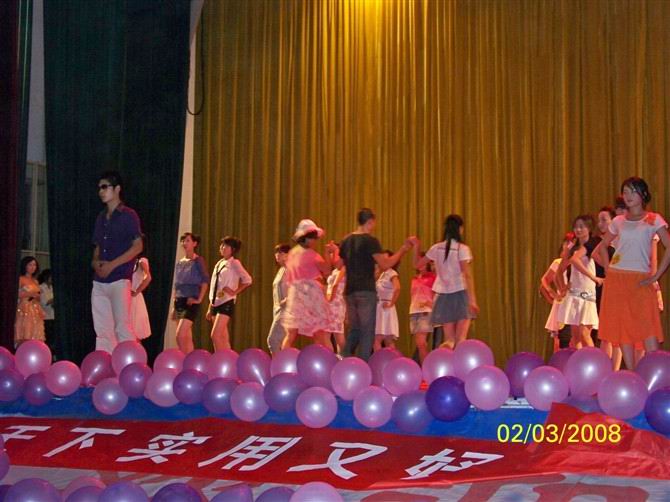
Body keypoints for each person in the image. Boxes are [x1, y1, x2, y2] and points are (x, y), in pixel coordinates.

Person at [594, 177, 670, 369]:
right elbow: (602, 246)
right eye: (625, 192)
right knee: (623, 330)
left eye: (632, 191)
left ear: (643, 194)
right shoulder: (618, 221)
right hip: (617, 279)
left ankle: (655, 373)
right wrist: (609, 269)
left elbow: (668, 246)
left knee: (648, 328)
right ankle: (633, 374)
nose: (628, 196)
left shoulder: (654, 219)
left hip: (641, 279)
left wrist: (656, 276)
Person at [336, 208, 415, 361]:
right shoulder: (370, 241)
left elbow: (338, 264)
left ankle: (343, 357)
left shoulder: (346, 240)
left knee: (355, 328)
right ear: (370, 221)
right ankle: (363, 365)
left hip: (350, 291)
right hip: (365, 290)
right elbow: (385, 264)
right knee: (367, 331)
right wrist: (403, 250)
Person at [91, 171, 143, 353]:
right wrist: (95, 262)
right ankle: (106, 365)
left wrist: (112, 265)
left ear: (117, 189)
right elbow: (97, 246)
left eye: (105, 187)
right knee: (102, 331)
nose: (101, 191)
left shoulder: (129, 215)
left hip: (119, 279)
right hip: (99, 281)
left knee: (122, 327)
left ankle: (130, 366)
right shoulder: (101, 217)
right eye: (99, 188)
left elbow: (138, 246)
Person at [413, 214, 479, 349]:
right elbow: (467, 275)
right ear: (460, 229)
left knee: (449, 340)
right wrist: (472, 300)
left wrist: (416, 246)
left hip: (443, 296)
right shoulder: (462, 249)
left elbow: (417, 264)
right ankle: (458, 362)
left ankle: (444, 359)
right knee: (461, 339)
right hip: (461, 294)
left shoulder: (436, 248)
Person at [282, 220, 336, 350]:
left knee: (291, 333)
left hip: (295, 294)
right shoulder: (311, 255)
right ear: (306, 238)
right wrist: (328, 254)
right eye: (313, 238)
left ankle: (283, 359)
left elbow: (288, 278)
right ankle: (325, 359)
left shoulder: (292, 253)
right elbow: (327, 270)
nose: (315, 241)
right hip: (310, 294)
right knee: (319, 332)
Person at [555, 215, 602, 349]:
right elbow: (559, 271)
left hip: (588, 293)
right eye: (576, 227)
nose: (578, 230)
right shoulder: (571, 248)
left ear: (589, 228)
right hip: (574, 294)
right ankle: (580, 360)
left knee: (585, 333)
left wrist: (595, 278)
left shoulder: (594, 245)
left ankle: (594, 359)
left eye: (582, 227)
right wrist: (563, 288)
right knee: (575, 337)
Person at [207, 236, 252, 350]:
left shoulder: (234, 263)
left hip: (226, 302)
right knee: (223, 337)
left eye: (226, 246)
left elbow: (248, 280)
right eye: (222, 245)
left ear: (233, 249)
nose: (222, 247)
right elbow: (214, 286)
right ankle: (228, 358)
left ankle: (219, 358)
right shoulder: (219, 263)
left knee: (215, 335)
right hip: (215, 303)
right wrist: (210, 306)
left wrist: (234, 291)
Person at [172, 232, 209, 353]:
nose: (184, 243)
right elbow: (177, 284)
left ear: (194, 243)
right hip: (179, 301)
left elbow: (205, 281)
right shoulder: (180, 262)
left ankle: (185, 360)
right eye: (183, 241)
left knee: (180, 335)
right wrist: (174, 304)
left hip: (190, 301)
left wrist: (199, 299)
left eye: (188, 240)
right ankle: (189, 360)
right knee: (187, 337)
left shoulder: (198, 261)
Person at [540, 233, 574, 352]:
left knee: (575, 338)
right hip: (562, 303)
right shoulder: (558, 262)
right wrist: (553, 295)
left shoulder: (578, 262)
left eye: (570, 243)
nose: (568, 246)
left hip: (575, 302)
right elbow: (544, 280)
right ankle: (559, 361)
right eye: (566, 243)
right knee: (559, 340)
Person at [409, 255, 436, 363]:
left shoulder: (432, 277)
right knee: (420, 344)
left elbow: (437, 293)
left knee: (422, 343)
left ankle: (426, 366)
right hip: (414, 311)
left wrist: (430, 303)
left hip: (425, 311)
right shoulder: (414, 278)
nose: (420, 264)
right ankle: (424, 366)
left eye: (422, 262)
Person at [15, 256, 46, 347]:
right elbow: (16, 294)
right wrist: (30, 294)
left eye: (34, 265)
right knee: (25, 332)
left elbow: (38, 297)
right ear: (25, 266)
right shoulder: (20, 279)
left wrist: (37, 296)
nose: (33, 267)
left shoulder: (35, 281)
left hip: (35, 308)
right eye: (30, 265)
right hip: (24, 308)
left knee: (35, 332)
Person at [267, 243, 291, 354]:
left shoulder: (292, 270)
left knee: (273, 340)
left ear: (288, 254)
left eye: (281, 252)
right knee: (282, 342)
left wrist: (287, 299)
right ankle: (284, 363)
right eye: (276, 253)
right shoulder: (281, 270)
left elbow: (298, 286)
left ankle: (277, 365)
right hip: (277, 309)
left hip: (286, 310)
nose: (277, 255)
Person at [374, 251, 401, 351]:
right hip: (379, 307)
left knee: (380, 339)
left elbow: (397, 288)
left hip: (385, 307)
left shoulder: (391, 273)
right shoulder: (380, 274)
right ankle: (389, 358)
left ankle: (386, 359)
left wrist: (391, 303)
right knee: (385, 340)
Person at [325, 263, 347, 354]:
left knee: (329, 335)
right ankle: (343, 357)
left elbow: (335, 284)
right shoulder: (335, 270)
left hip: (336, 303)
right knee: (336, 335)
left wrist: (330, 298)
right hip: (331, 304)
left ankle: (342, 357)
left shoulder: (344, 268)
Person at [38, 268, 55, 354]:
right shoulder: (41, 287)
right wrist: (53, 300)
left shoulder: (53, 287)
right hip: (45, 316)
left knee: (53, 338)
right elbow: (44, 302)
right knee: (47, 337)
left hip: (53, 316)